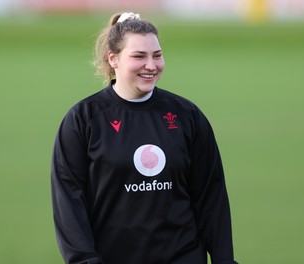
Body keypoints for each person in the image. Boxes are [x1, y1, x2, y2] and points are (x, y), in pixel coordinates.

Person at [51, 12, 238, 264]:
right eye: (139, 56)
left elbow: (211, 196)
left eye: (157, 55)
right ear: (113, 59)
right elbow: (69, 203)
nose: (151, 65)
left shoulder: (186, 115)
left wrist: (223, 260)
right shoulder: (83, 120)